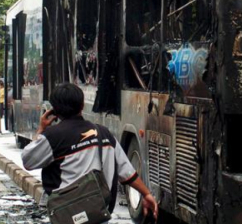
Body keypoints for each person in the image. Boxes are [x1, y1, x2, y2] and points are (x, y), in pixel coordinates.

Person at [21, 83, 159, 221]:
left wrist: (41, 129)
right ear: (82, 106)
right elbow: (127, 172)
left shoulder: (52, 137)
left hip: (67, 214)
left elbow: (28, 160)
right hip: (97, 213)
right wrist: (146, 194)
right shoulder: (104, 134)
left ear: (54, 111)